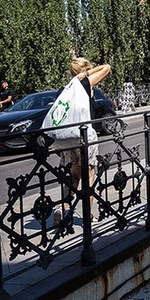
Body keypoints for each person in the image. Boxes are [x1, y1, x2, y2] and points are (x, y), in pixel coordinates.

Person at [54, 58, 111, 227]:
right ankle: (88, 216)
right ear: (85, 70)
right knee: (89, 177)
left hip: (67, 139)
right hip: (85, 137)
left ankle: (62, 208)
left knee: (73, 177)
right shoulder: (83, 85)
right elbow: (106, 68)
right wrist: (86, 74)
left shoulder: (64, 90)